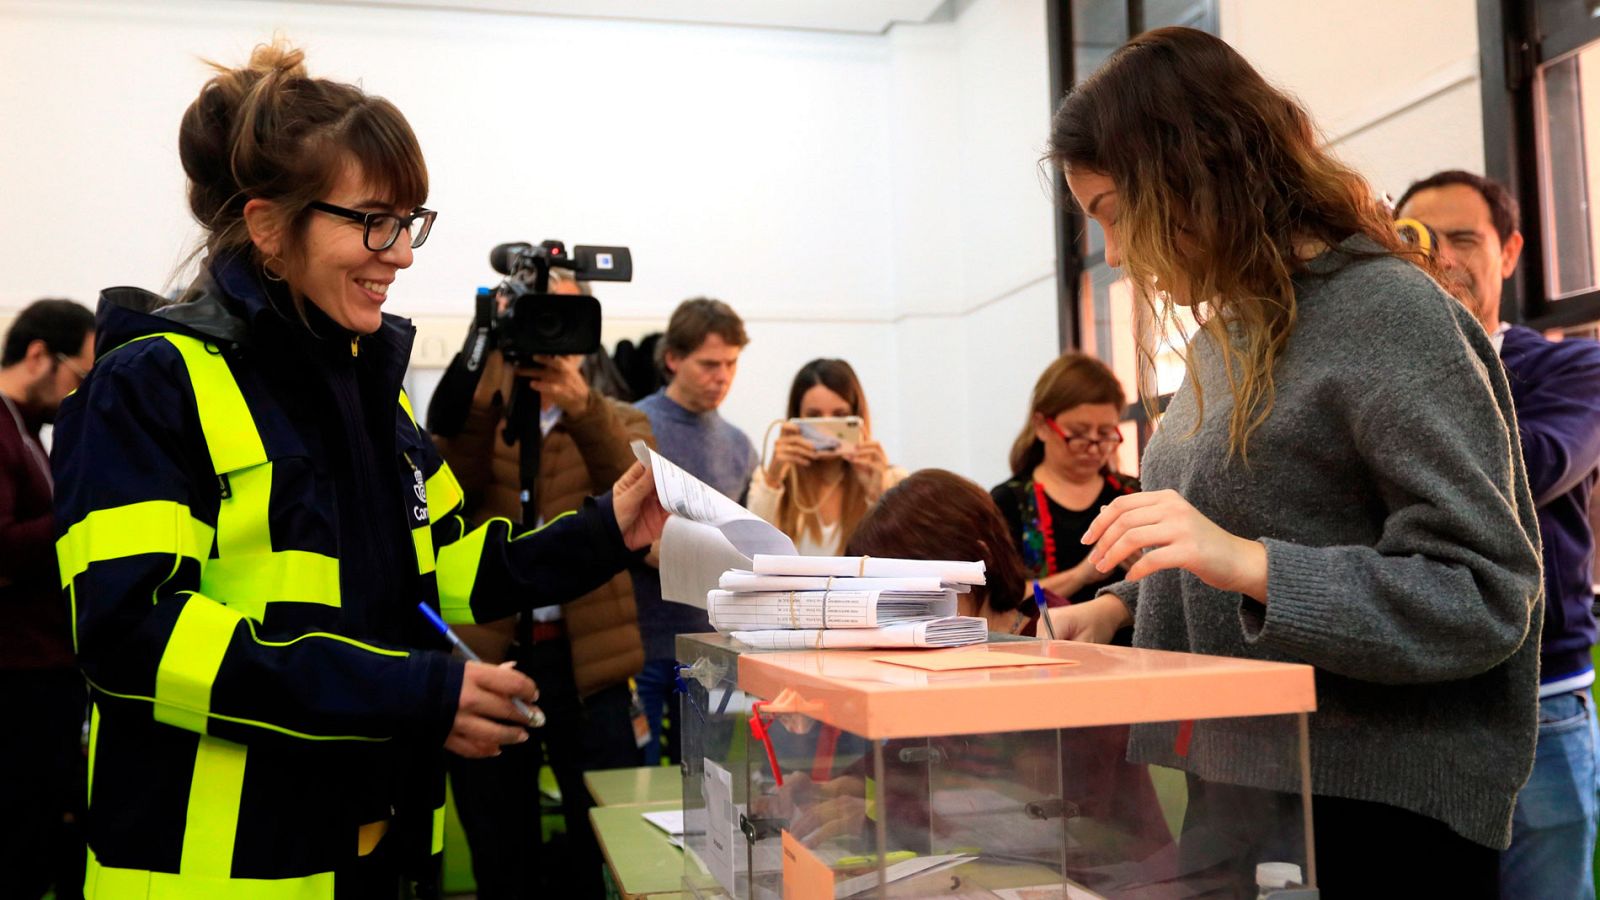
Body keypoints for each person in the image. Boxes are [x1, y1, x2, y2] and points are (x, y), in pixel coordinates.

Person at [50, 41, 666, 898]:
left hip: (375, 844)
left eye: (410, 220)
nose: (402, 252)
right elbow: (132, 634)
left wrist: (606, 530)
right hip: (221, 868)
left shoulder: (369, 389)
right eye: (374, 220)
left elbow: (446, 564)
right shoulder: (149, 383)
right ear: (269, 226)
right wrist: (411, 693)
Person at [1046, 28, 1542, 897]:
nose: (1118, 256)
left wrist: (1247, 564)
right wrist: (1122, 610)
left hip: (1373, 818)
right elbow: (1247, 535)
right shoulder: (1221, 340)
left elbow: (1484, 593)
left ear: (1196, 171)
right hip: (1241, 793)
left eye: (1117, 213)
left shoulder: (1390, 314)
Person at [1398, 170, 1600, 900]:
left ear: (1509, 251)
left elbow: (1535, 470)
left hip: (1542, 704)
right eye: (1420, 241)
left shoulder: (1571, 365)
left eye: (1465, 238)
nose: (1443, 258)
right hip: (1417, 711)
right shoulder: (1385, 373)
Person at [431, 268, 653, 899]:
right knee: (500, 845)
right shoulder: (480, 413)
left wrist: (583, 409)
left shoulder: (622, 419)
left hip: (593, 668)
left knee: (606, 841)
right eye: (535, 317)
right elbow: (446, 493)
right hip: (492, 655)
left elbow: (638, 495)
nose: (548, 336)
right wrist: (489, 384)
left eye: (564, 318)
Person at [632, 297, 757, 764]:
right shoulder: (634, 427)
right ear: (673, 359)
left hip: (713, 645)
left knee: (712, 779)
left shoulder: (739, 446)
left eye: (730, 364)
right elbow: (626, 534)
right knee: (638, 781)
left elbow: (744, 539)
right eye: (708, 364)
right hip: (643, 642)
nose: (721, 376)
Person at [1, 299, 95, 900]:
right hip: (17, 682)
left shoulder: (26, 432)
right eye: (78, 377)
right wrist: (79, 518)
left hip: (45, 674)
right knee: (22, 840)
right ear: (39, 357)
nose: (76, 396)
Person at [990, 353, 1137, 612]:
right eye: (1078, 433)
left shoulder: (1132, 495)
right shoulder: (1008, 503)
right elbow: (1001, 600)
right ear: (1042, 426)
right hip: (1046, 650)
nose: (1093, 447)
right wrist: (1081, 575)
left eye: (1105, 434)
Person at [749, 358, 904, 555]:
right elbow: (751, 549)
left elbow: (898, 554)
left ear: (858, 418)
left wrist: (879, 495)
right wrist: (772, 480)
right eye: (815, 416)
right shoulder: (770, 480)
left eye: (840, 416)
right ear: (796, 419)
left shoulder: (893, 480)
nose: (827, 429)